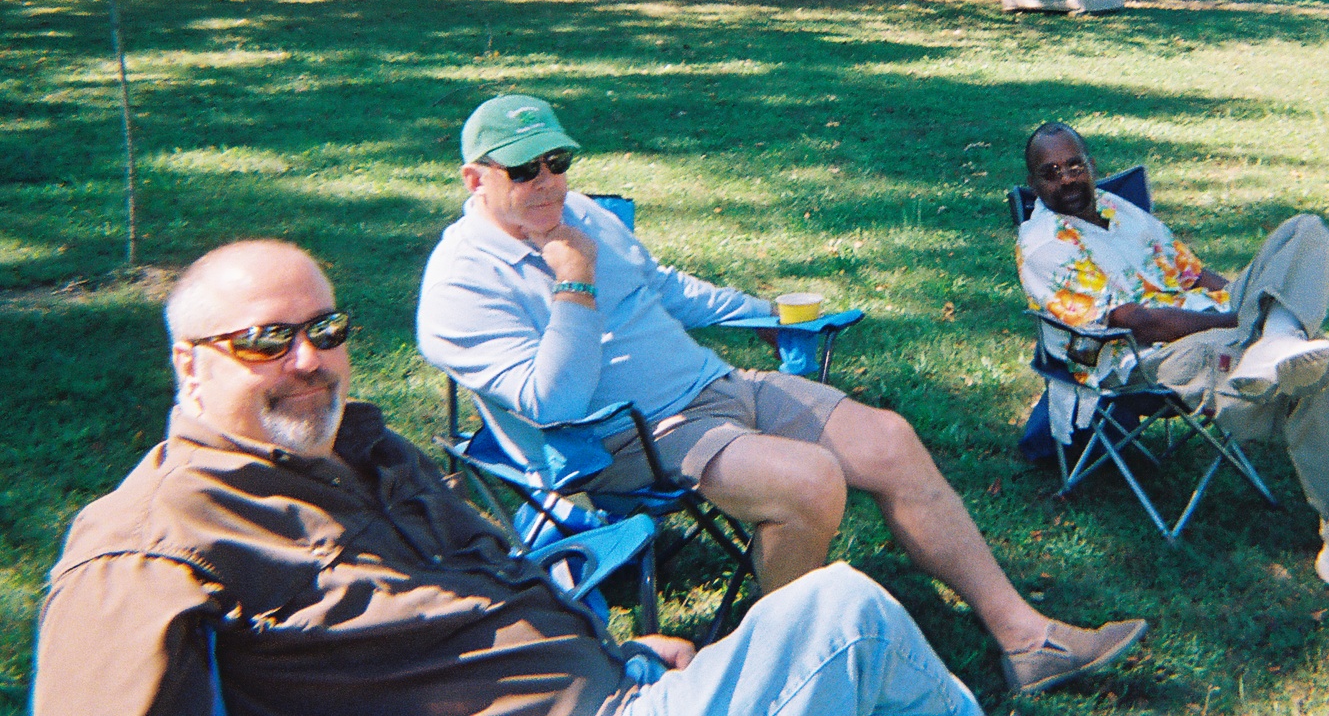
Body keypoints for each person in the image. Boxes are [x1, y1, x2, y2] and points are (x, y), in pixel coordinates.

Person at [34, 240, 986, 716]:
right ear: (189, 364)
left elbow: (487, 587)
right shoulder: (146, 544)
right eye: (264, 340)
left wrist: (619, 647)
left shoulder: (367, 454)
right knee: (845, 618)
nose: (308, 359)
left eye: (325, 329)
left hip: (615, 682)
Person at [417, 95, 1147, 695]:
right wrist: (573, 282)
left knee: (889, 439)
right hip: (622, 438)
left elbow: (662, 286)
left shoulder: (579, 214)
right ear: (474, 179)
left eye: (558, 161)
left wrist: (763, 312)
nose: (548, 181)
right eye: (524, 170)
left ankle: (1028, 640)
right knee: (809, 482)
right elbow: (553, 404)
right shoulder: (460, 284)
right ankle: (774, 681)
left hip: (715, 385)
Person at [1016, 121, 1329, 609]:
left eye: (1075, 165)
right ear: (1034, 184)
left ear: (1092, 165)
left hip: (1212, 318)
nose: (1067, 179)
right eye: (1051, 173)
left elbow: (1194, 273)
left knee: (1304, 232)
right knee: (1317, 368)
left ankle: (1278, 339)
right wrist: (1242, 319)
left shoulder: (1116, 207)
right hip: (1148, 357)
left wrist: (1252, 300)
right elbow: (1140, 323)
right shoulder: (1045, 247)